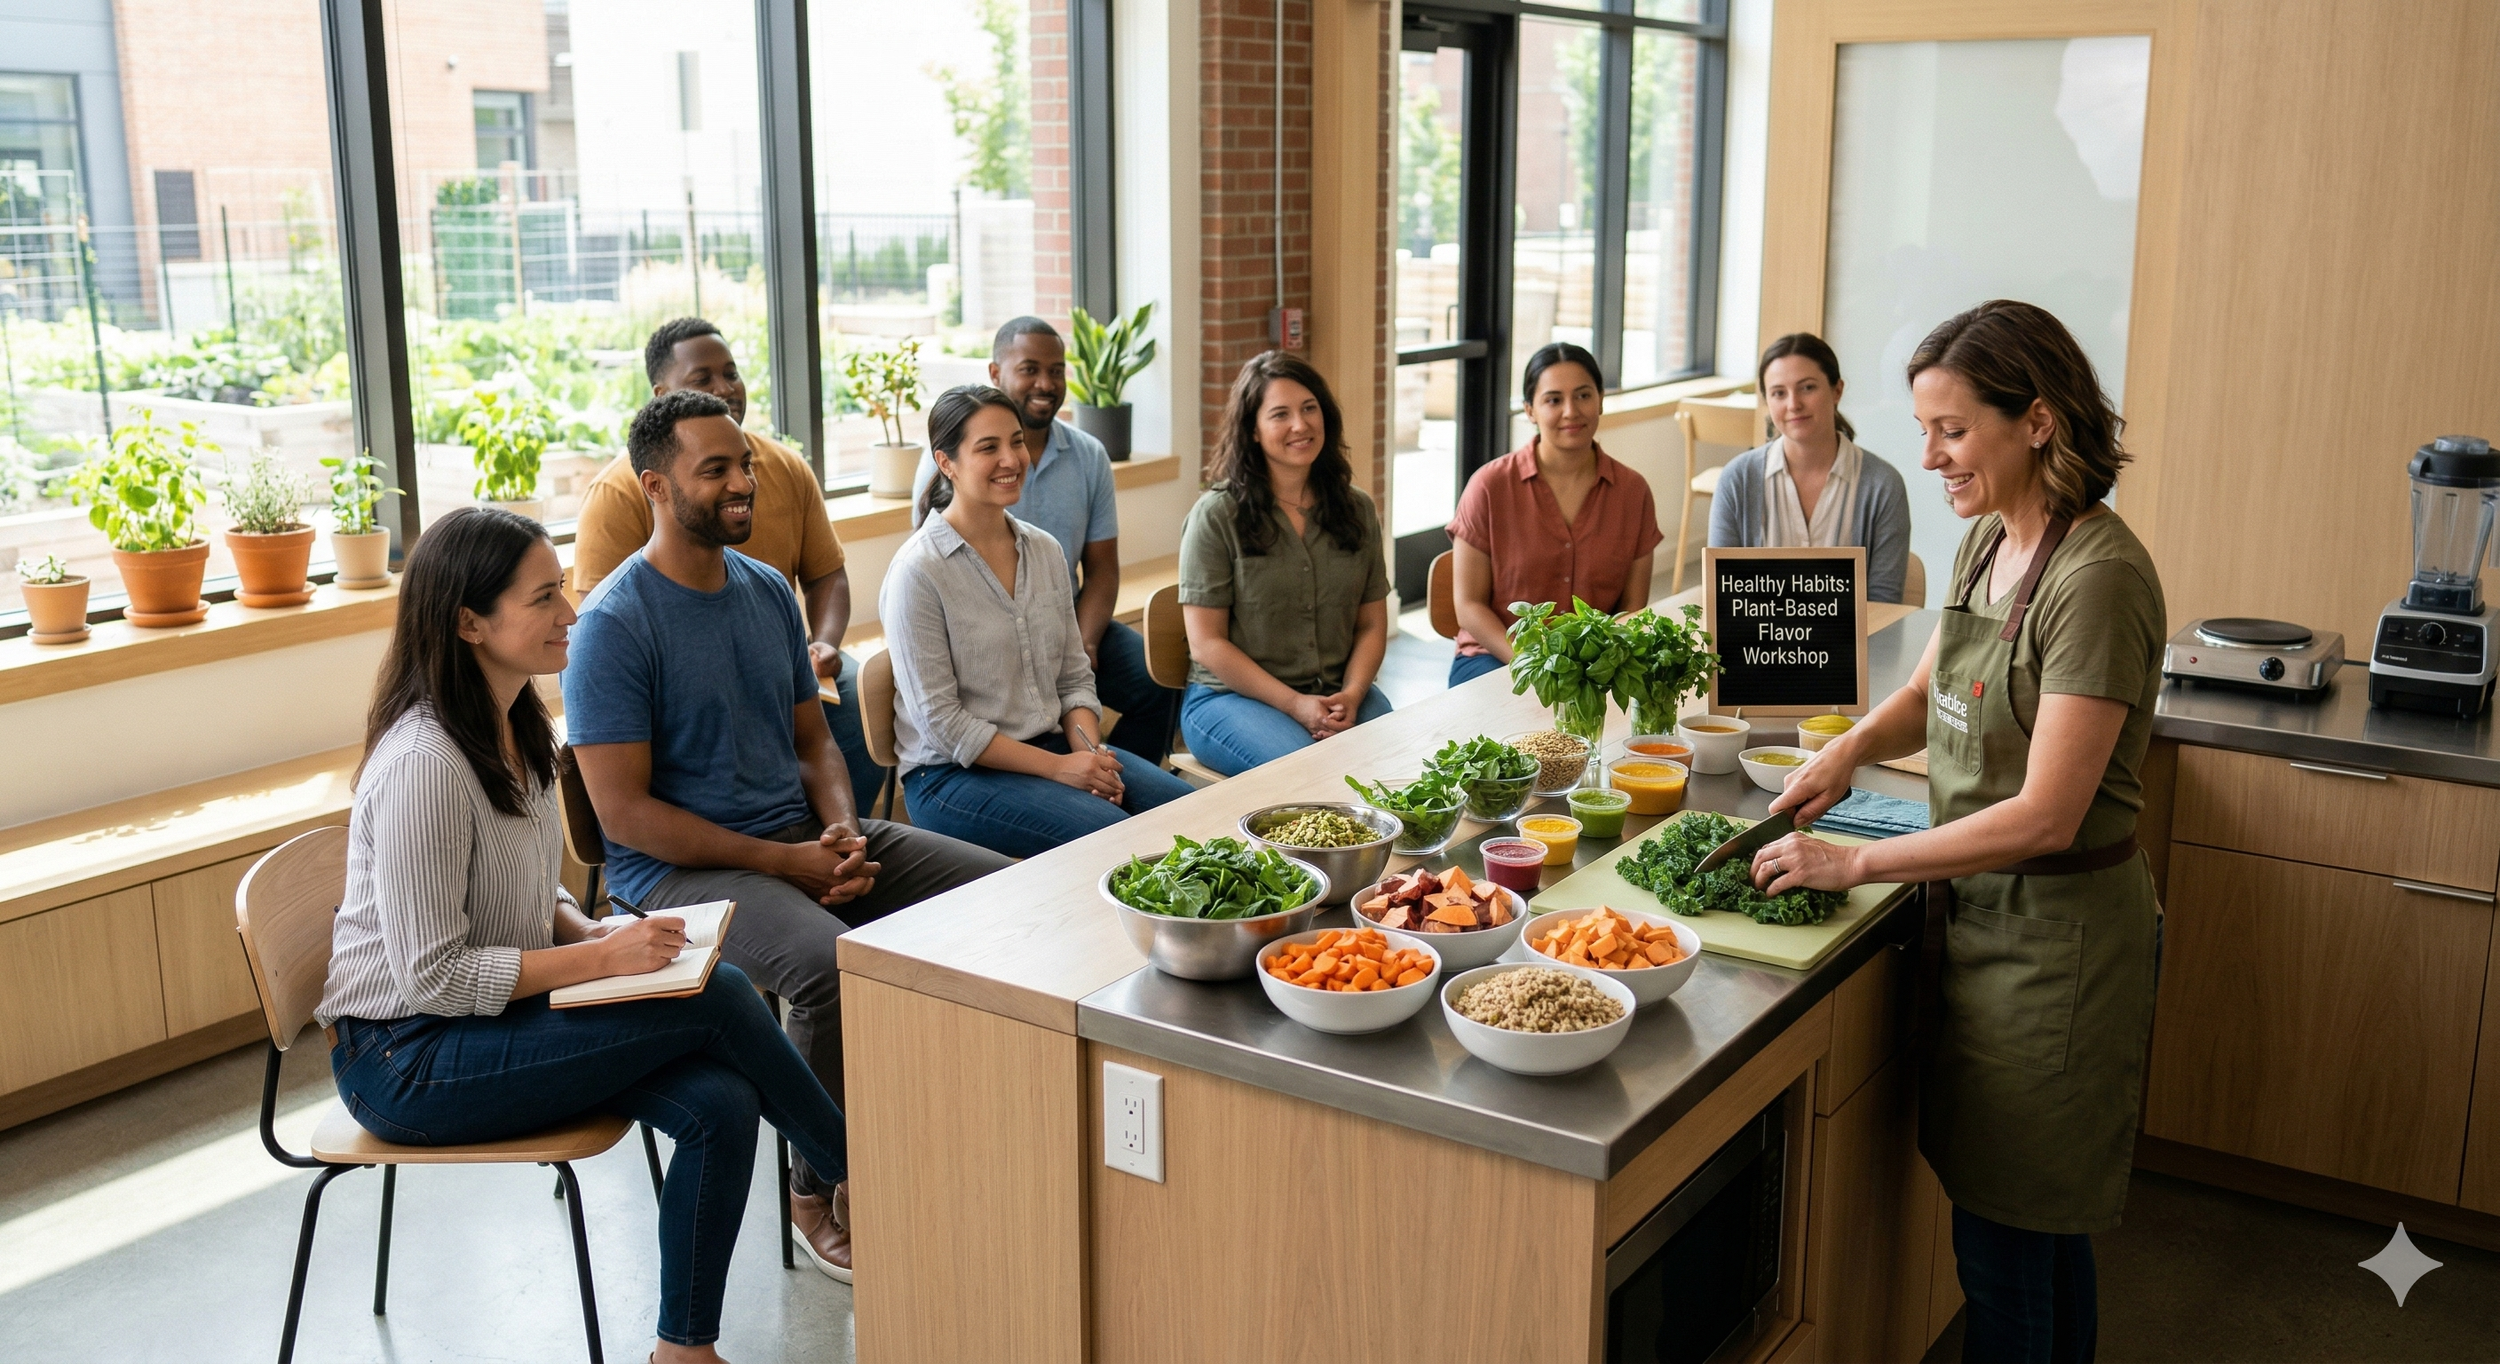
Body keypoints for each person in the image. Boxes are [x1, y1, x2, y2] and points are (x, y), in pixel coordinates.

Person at [318, 507, 853, 1364]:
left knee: (722, 1103)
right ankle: (864, 1174)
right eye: (543, 598)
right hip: (406, 1060)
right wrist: (601, 958)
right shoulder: (424, 764)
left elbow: (528, 893)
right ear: (468, 623)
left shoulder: (517, 725)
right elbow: (432, 981)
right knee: (716, 992)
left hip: (485, 1024)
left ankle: (684, 1351)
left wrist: (598, 929)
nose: (570, 612)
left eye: (562, 589)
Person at [1746, 301, 2164, 1364]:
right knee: (2031, 1234)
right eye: (1925, 429)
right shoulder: (1988, 538)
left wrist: (1855, 860)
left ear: (2036, 421)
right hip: (1986, 917)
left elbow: (2044, 813)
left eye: (1951, 429)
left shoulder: (2097, 577)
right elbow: (1925, 694)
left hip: (2057, 945)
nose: (1926, 455)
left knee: (2008, 1253)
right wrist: (1839, 754)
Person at [563, 390, 1012, 1282]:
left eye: (746, 465)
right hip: (675, 875)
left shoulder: (768, 592)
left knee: (1003, 894)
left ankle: (936, 1128)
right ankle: (818, 1186)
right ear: (656, 486)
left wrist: (842, 832)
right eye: (716, 470)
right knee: (827, 966)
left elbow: (814, 742)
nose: (743, 483)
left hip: (799, 839)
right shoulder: (613, 626)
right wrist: (787, 863)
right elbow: (625, 819)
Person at [573, 317, 884, 810]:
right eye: (703, 379)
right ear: (661, 394)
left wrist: (824, 643)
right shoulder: (617, 491)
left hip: (784, 659)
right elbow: (601, 625)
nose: (725, 388)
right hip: (686, 677)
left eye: (731, 373)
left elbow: (826, 573)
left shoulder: (783, 467)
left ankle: (837, 833)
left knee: (858, 711)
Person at [885, 387, 1194, 856]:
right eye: (988, 447)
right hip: (952, 777)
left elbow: (1073, 676)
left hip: (1049, 748)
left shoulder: (1044, 550)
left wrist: (1089, 758)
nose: (1012, 459)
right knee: (1124, 841)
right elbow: (945, 726)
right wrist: (1059, 769)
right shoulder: (918, 571)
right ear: (945, 462)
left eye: (1016, 441)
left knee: (1198, 814)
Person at [910, 317, 1180, 764]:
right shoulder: (945, 462)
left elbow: (1101, 569)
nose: (1046, 383)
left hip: (1069, 620)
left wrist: (1085, 642)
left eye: (1057, 371)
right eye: (1030, 369)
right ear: (995, 374)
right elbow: (936, 568)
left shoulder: (1089, 455)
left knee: (1156, 682)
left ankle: (1109, 768)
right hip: (985, 637)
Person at [1177, 352, 1393, 775]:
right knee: (1316, 773)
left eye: (1310, 408)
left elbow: (1371, 624)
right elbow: (1206, 644)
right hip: (1231, 701)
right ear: (1253, 431)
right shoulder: (1217, 515)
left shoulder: (1356, 508)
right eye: (1280, 414)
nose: (1301, 425)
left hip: (1338, 694)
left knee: (1396, 767)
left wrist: (1352, 693)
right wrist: (1296, 705)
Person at [1446, 342, 1663, 686]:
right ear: (1530, 410)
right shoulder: (1489, 486)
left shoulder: (1633, 492)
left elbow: (1632, 612)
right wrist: (1532, 665)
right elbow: (1468, 605)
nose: (1570, 412)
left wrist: (1591, 669)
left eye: (1583, 396)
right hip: (1498, 658)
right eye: (1553, 400)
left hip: (1594, 666)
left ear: (1601, 399)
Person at [1709, 333, 1915, 604]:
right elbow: (1722, 595)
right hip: (1757, 646)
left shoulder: (1883, 485)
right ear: (1767, 402)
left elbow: (1883, 603)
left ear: (1837, 391)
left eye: (1807, 387)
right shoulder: (1737, 479)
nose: (1793, 404)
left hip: (1855, 646)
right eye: (1779, 393)